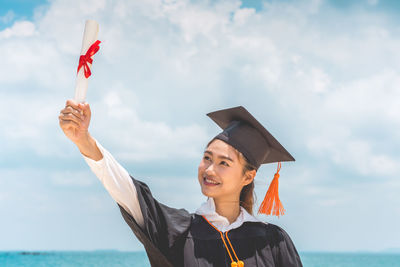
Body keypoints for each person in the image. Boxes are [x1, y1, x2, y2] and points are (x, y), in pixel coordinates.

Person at [59, 99, 303, 267]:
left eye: (223, 163)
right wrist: (84, 140)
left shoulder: (273, 241)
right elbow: (126, 190)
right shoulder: (179, 231)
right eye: (207, 158)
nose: (209, 169)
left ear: (248, 177)